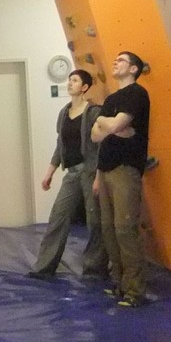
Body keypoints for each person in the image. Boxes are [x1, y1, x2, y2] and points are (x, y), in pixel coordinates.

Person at [27, 69, 108, 280]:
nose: (70, 83)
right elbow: (60, 145)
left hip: (89, 171)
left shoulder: (93, 112)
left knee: (95, 221)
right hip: (71, 173)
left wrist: (99, 176)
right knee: (58, 217)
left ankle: (94, 269)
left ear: (85, 87)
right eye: (69, 80)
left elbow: (101, 147)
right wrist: (50, 172)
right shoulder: (64, 113)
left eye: (74, 80)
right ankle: (44, 267)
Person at [91, 51, 151, 308]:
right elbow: (96, 136)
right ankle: (119, 283)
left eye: (122, 61)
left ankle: (135, 290)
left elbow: (111, 127)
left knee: (125, 229)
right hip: (104, 169)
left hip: (125, 168)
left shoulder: (137, 94)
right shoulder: (112, 98)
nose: (115, 63)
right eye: (114, 60)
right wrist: (110, 124)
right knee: (109, 229)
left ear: (134, 69)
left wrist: (106, 123)